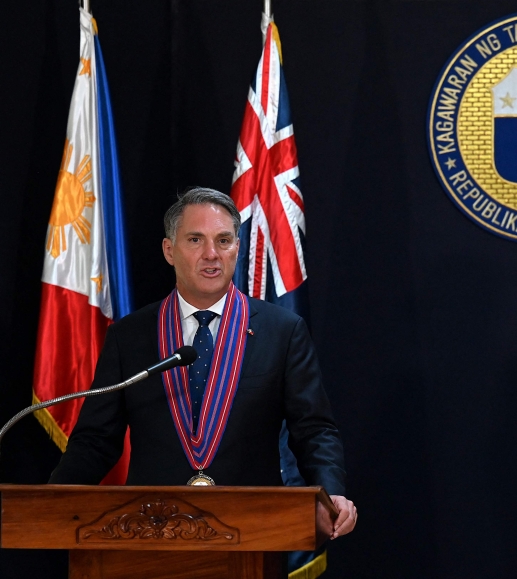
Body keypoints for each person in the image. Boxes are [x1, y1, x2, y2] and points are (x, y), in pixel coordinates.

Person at [49, 187, 357, 540]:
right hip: (150, 533)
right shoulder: (130, 336)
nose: (211, 254)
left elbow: (313, 429)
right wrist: (54, 499)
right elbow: (96, 440)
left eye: (223, 240)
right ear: (169, 250)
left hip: (252, 530)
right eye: (195, 240)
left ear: (237, 249)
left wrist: (330, 492)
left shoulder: (282, 331)